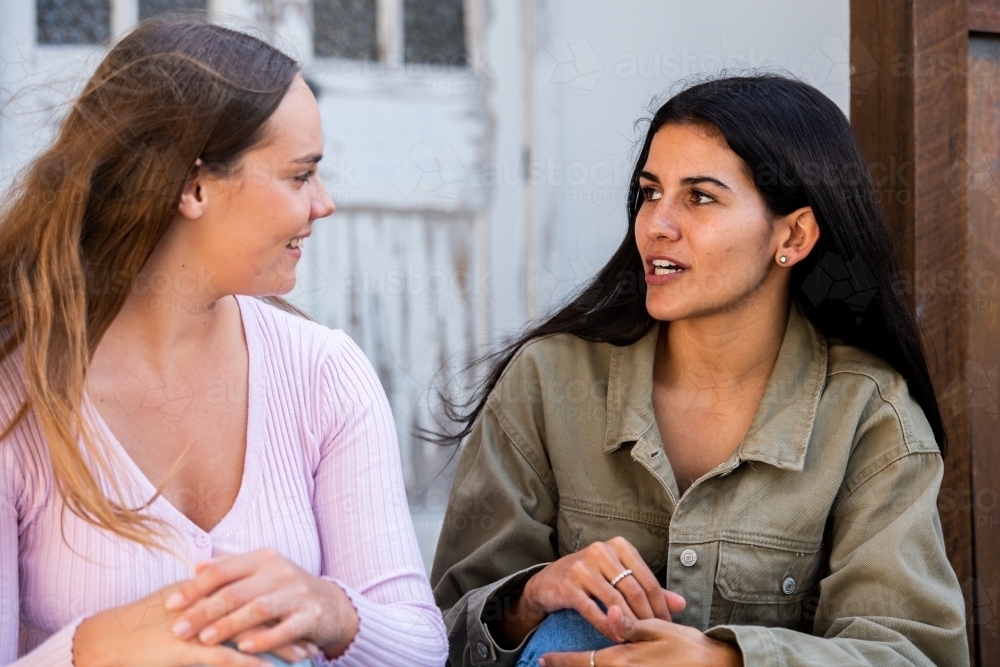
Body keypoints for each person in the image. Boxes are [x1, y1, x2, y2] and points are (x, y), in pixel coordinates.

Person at [430, 75, 969, 667]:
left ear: (793, 234)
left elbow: (915, 655)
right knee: (566, 635)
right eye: (650, 192)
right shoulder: (548, 380)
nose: (657, 224)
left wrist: (729, 661)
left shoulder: (872, 417)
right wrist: (530, 596)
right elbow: (434, 634)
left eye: (700, 197)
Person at [0, 18, 447, 667]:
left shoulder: (325, 374)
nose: (323, 204)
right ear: (194, 185)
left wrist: (331, 610)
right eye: (299, 176)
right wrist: (93, 648)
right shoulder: (18, 396)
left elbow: (422, 646)